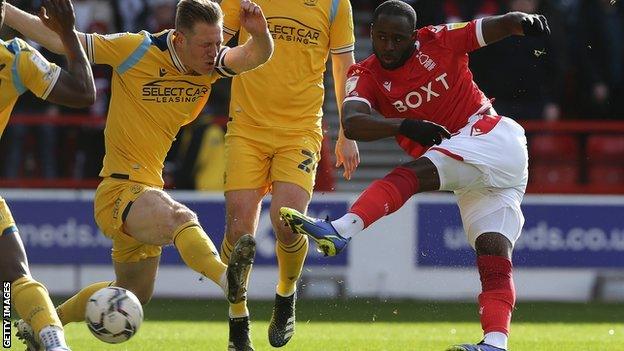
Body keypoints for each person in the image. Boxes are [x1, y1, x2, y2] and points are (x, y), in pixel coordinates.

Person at [280, 1, 550, 350]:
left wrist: (520, 22)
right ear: (370, 33)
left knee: (412, 175)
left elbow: (492, 27)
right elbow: (353, 122)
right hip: (476, 173)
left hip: (492, 136)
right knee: (493, 253)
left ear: (414, 36)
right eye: (381, 37)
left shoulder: (438, 40)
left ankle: (341, 229)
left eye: (398, 38)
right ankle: (495, 343)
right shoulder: (364, 75)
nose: (389, 46)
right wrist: (405, 125)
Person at [5, 0, 273, 349]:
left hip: (147, 190)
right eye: (206, 44)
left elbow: (254, 56)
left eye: (219, 42)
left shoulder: (211, 63)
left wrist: (261, 34)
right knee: (180, 217)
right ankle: (228, 279)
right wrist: (6, 10)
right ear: (178, 38)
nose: (215, 51)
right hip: (119, 190)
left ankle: (42, 326)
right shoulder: (136, 48)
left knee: (132, 294)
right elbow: (60, 41)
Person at [216, 0, 360, 349]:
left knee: (286, 221)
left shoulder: (336, 4)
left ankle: (286, 295)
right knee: (238, 233)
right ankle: (238, 319)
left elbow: (344, 67)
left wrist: (347, 130)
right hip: (246, 127)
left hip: (300, 130)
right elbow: (213, 48)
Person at [0, 0, 96, 350]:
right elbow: (84, 92)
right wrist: (68, 34)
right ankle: (53, 342)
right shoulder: (16, 59)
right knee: (14, 279)